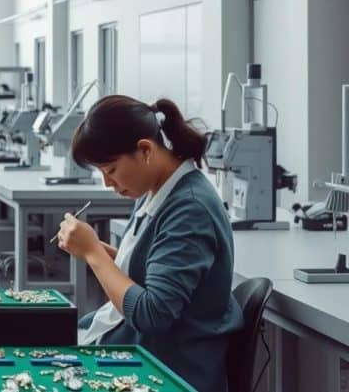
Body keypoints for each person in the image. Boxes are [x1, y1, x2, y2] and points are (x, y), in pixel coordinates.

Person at [55, 96, 243, 392]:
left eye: (111, 170)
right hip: (140, 353)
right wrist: (101, 252)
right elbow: (150, 270)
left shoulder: (190, 208)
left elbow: (152, 314)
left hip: (167, 370)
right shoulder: (157, 191)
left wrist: (93, 254)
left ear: (145, 150)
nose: (108, 183)